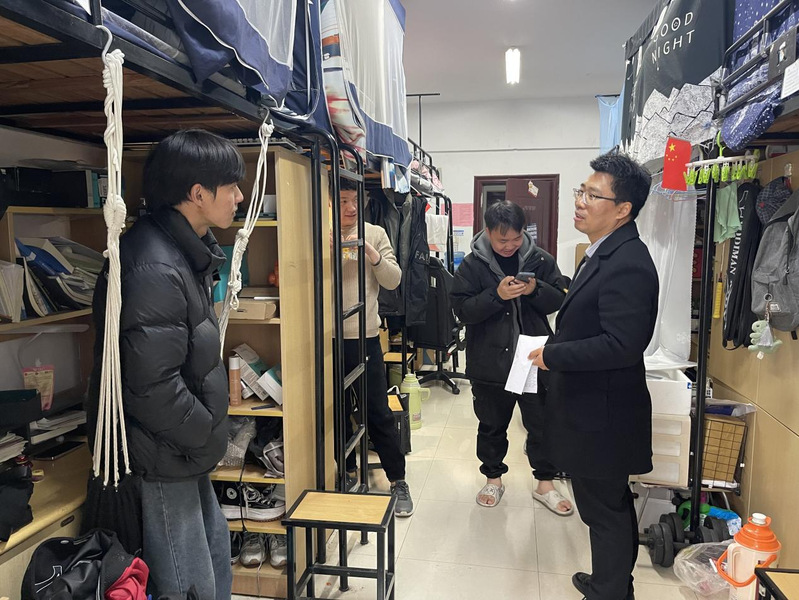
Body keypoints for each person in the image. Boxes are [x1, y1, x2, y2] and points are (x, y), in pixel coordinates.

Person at [89, 129, 245, 600]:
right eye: (231, 186)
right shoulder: (153, 263)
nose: (240, 197)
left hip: (183, 452)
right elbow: (151, 385)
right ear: (197, 194)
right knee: (188, 585)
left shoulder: (181, 251)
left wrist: (205, 436)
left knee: (213, 567)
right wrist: (203, 431)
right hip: (164, 456)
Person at [529, 153, 658, 600]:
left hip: (603, 415)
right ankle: (611, 583)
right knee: (603, 506)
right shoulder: (603, 250)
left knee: (605, 511)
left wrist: (554, 355)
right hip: (592, 407)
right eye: (580, 191)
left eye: (592, 195)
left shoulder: (628, 261)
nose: (580, 201)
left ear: (623, 209)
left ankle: (610, 592)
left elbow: (622, 344)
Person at [450, 201, 571, 513]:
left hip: (533, 357)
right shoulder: (472, 265)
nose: (510, 245)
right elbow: (462, 311)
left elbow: (559, 300)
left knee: (541, 423)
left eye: (516, 238)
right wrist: (497, 296)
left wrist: (534, 290)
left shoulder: (540, 259)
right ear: (488, 231)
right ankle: (493, 479)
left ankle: (545, 483)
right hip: (489, 360)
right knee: (491, 424)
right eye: (502, 239)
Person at [337, 178, 414, 517]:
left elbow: (394, 279)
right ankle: (346, 472)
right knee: (335, 412)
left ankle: (397, 479)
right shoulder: (316, 230)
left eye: (356, 200)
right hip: (324, 340)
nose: (351, 208)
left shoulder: (376, 233)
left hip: (365, 335)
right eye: (342, 201)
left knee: (378, 411)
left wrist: (371, 253)